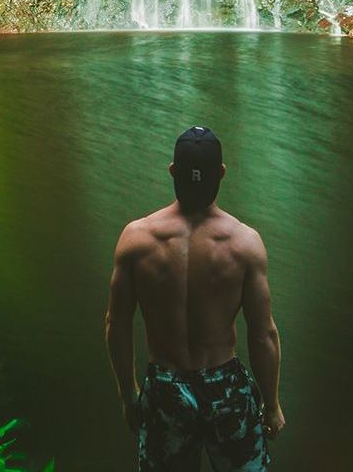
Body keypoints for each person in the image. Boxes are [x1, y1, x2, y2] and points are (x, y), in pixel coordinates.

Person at [105, 126, 284, 471]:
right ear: (222, 173)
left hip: (165, 389)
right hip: (225, 390)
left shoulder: (136, 239)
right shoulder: (244, 243)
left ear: (173, 171)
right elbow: (263, 335)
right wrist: (272, 404)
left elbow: (117, 323)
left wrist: (129, 394)